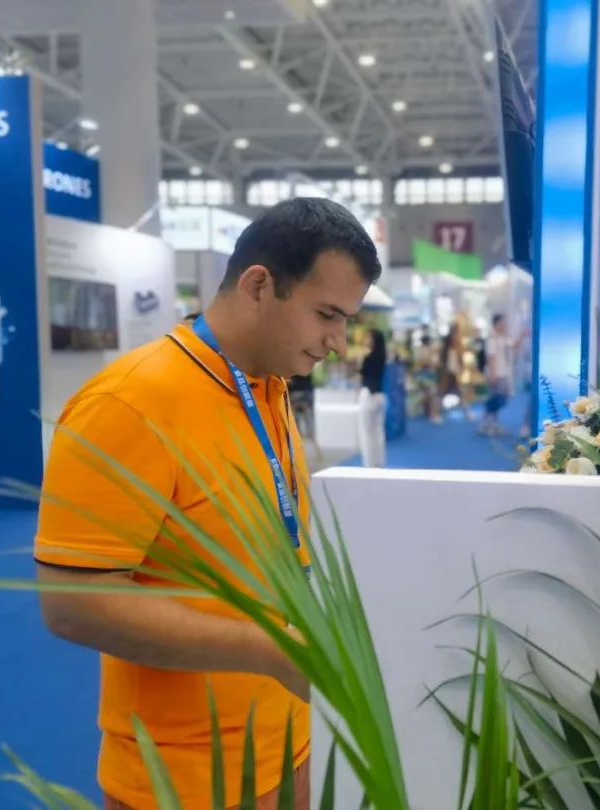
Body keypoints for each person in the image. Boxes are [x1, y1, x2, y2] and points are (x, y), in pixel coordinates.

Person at [33, 198, 381, 810]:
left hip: (292, 742)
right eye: (327, 314)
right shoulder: (130, 403)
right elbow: (71, 603)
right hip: (185, 779)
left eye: (346, 319)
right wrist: (273, 651)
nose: (337, 340)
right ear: (257, 285)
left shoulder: (269, 385)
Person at [479, 314, 514, 437]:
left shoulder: (502, 338)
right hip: (496, 373)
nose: (505, 325)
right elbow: (490, 357)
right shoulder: (492, 339)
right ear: (497, 324)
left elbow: (512, 345)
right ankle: (486, 423)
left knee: (499, 399)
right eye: (502, 323)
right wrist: (493, 373)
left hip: (503, 373)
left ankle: (491, 423)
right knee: (495, 399)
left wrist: (523, 335)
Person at [358, 329, 388, 467]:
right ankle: (379, 462)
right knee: (378, 431)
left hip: (369, 395)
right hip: (380, 396)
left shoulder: (369, 358)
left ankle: (369, 463)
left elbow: (363, 376)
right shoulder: (382, 357)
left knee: (367, 432)